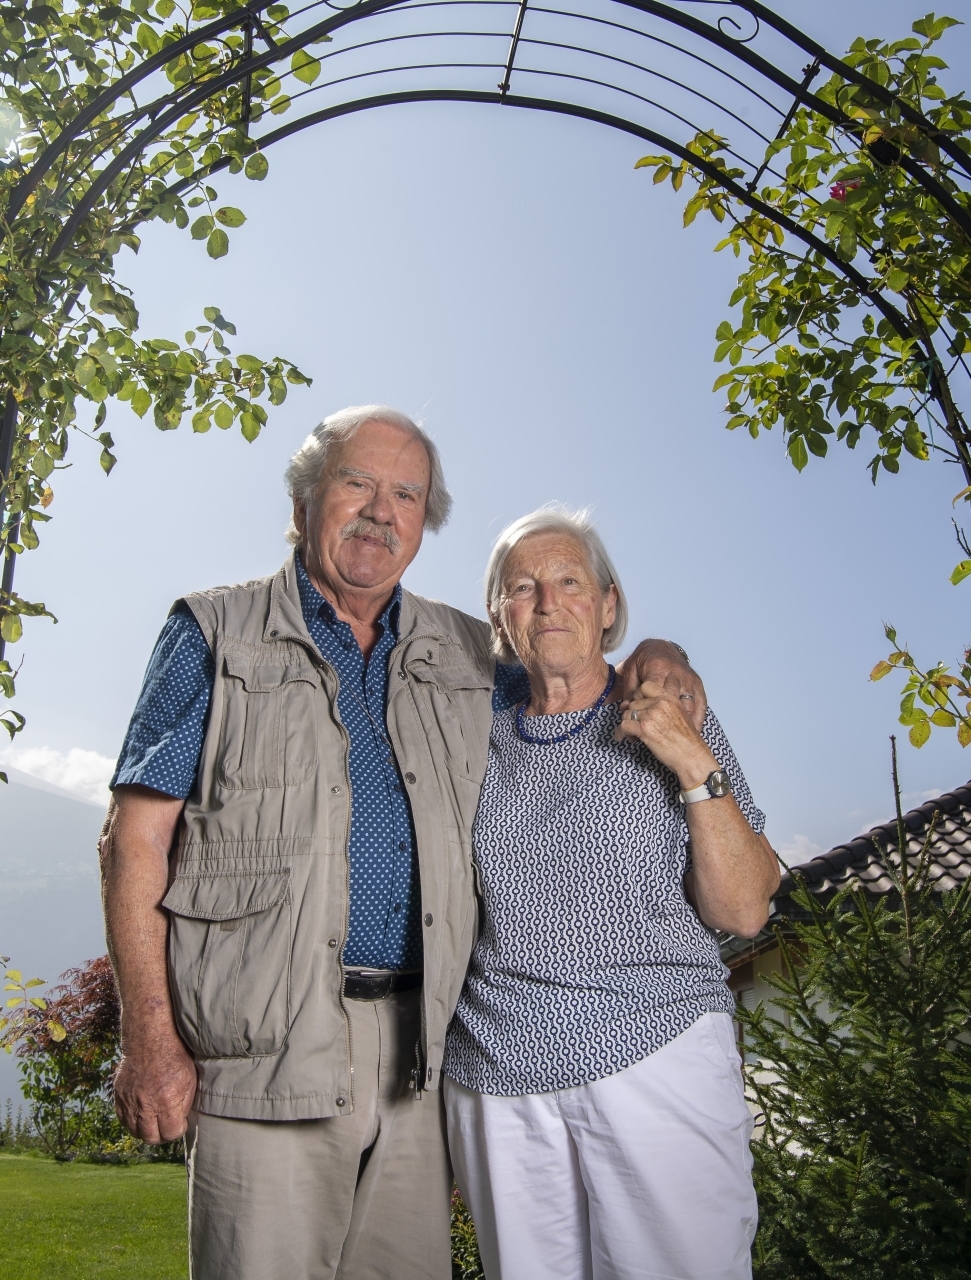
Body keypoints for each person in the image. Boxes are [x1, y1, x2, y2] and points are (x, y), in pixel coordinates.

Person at [99, 407, 704, 1280]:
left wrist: (655, 647)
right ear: (307, 498)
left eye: (407, 494)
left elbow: (568, 669)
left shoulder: (465, 652)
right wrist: (149, 1038)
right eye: (357, 483)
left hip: (423, 1061)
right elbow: (133, 843)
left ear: (425, 521)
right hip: (266, 1053)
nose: (381, 511)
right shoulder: (212, 632)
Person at [444, 505, 782, 1280]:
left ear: (607, 606)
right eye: (522, 587)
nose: (548, 601)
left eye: (569, 580)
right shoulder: (471, 730)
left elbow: (743, 909)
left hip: (655, 1058)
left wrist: (693, 762)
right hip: (496, 1079)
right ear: (500, 617)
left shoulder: (668, 708)